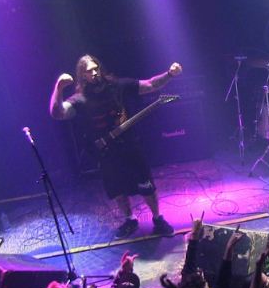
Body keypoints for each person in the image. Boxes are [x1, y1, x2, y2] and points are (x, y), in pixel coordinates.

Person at [49, 54, 180, 239]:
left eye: (96, 68)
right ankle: (130, 220)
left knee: (146, 185)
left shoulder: (118, 86)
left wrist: (170, 74)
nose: (94, 73)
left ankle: (158, 219)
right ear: (82, 75)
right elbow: (57, 113)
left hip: (130, 146)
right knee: (118, 190)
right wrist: (59, 87)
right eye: (89, 71)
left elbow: (151, 85)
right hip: (106, 153)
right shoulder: (80, 100)